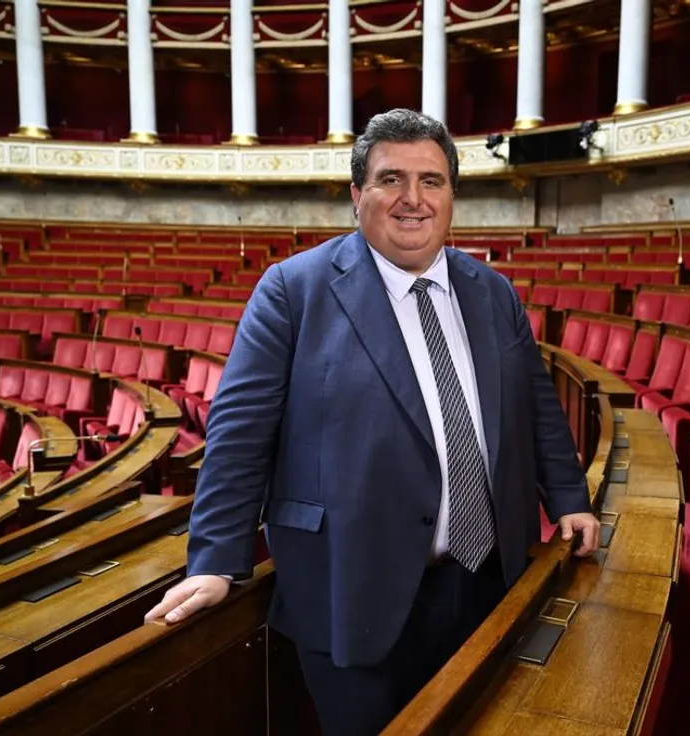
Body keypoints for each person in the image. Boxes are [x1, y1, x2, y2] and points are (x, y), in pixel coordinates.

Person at [144, 108, 600, 734]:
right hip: (348, 586)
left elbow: (534, 406)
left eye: (431, 181)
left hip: (485, 578)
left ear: (452, 195)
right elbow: (240, 434)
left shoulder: (492, 291)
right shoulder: (293, 289)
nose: (412, 199)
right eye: (391, 180)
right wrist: (216, 561)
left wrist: (569, 496)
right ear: (357, 195)